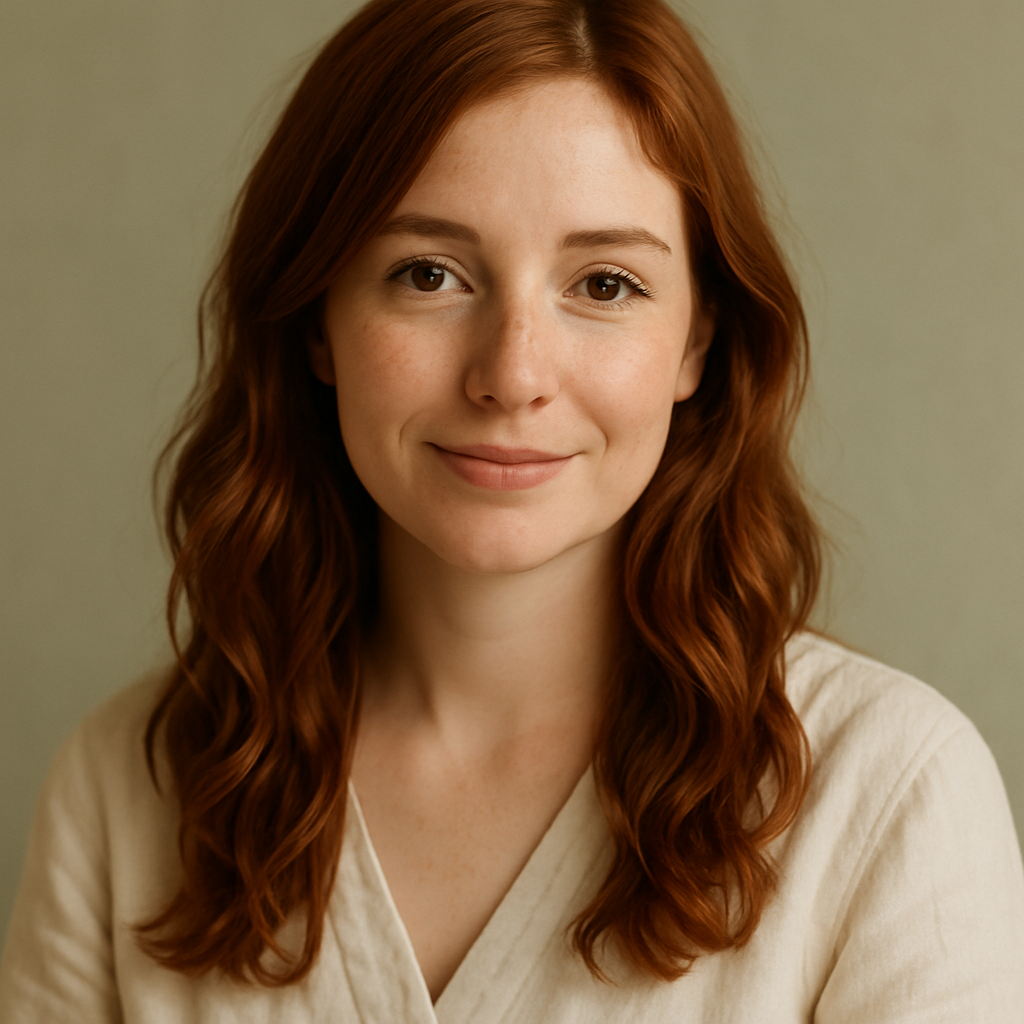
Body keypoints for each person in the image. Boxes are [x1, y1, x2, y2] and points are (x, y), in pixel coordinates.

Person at [1, 0, 1022, 1019]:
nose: (512, 374)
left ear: (697, 342)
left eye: (605, 284)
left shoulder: (889, 794)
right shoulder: (124, 786)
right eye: (429, 274)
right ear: (317, 318)